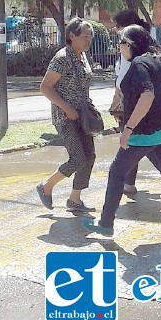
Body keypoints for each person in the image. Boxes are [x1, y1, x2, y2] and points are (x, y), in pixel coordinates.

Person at [83, 24, 161, 243]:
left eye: (121, 42)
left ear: (130, 44)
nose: (118, 47)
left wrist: (128, 128)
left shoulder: (138, 64)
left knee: (117, 172)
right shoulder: (160, 61)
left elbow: (147, 96)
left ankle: (105, 224)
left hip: (145, 132)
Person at [36, 18, 96, 213]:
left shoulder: (82, 56)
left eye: (90, 36)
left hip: (83, 116)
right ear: (72, 36)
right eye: (85, 36)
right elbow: (45, 87)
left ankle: (74, 199)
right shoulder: (62, 58)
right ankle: (46, 187)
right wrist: (66, 108)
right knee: (78, 158)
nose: (89, 40)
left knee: (90, 156)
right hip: (66, 118)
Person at [111, 9, 161, 201]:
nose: (115, 30)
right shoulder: (136, 44)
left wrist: (128, 123)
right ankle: (129, 183)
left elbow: (142, 89)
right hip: (132, 100)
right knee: (135, 145)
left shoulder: (131, 48)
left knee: (146, 146)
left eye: (118, 25)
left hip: (136, 103)